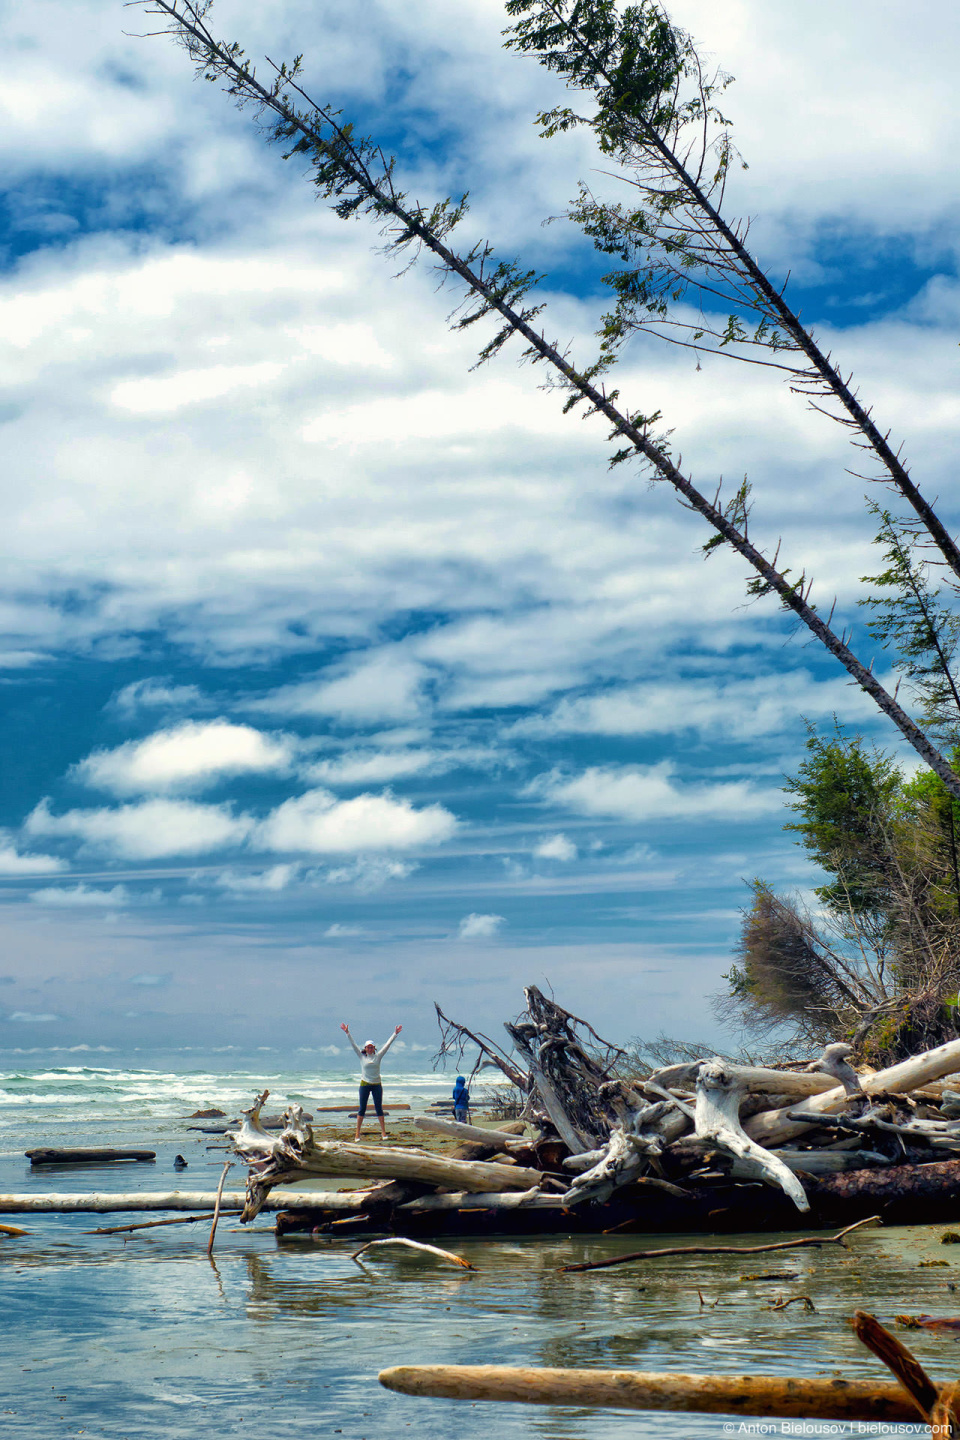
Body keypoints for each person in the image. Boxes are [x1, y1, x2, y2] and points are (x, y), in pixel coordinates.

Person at [340, 1022, 402, 1140]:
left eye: (371, 1047)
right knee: (362, 1108)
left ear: (374, 1048)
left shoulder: (378, 1056)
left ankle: (383, 1133)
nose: (369, 1048)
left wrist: (395, 1034)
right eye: (368, 1047)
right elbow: (353, 1045)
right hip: (365, 1085)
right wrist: (347, 1033)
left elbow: (388, 1045)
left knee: (379, 1108)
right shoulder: (362, 1056)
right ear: (365, 1048)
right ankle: (357, 1133)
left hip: (376, 1085)